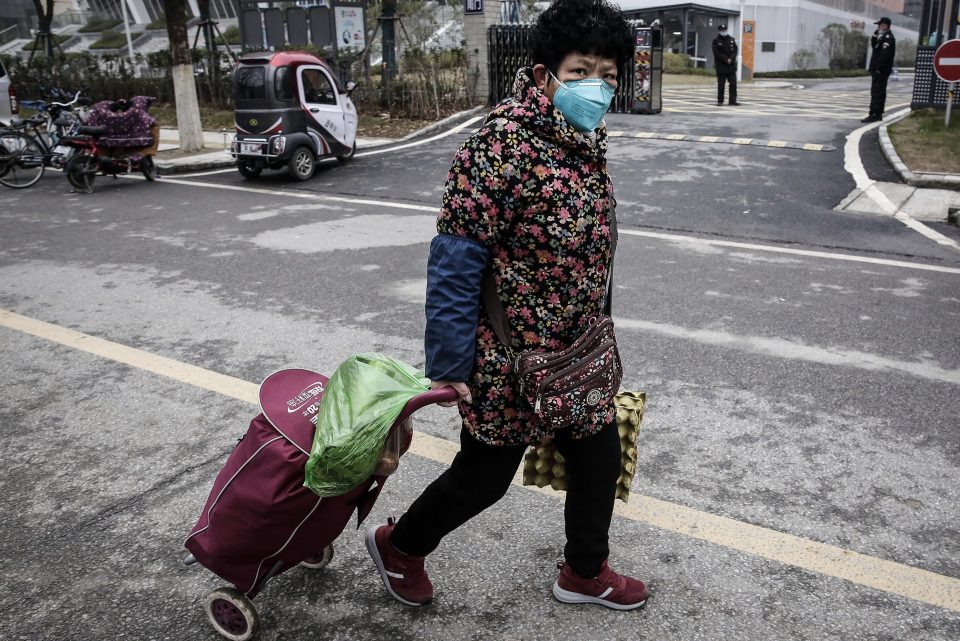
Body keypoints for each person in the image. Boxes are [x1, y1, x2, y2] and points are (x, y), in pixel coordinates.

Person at [364, 0, 649, 612]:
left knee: (598, 459)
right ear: (546, 74)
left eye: (605, 71)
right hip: (508, 356)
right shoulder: (499, 146)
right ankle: (400, 545)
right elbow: (454, 261)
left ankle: (584, 571)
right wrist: (449, 363)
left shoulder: (583, 139)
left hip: (579, 352)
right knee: (484, 477)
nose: (594, 85)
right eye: (579, 71)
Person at [862, 17, 896, 123]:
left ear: (885, 25)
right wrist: (874, 36)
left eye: (880, 25)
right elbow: (875, 48)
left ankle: (875, 113)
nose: (878, 27)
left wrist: (878, 69)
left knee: (877, 92)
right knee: (877, 91)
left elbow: (884, 55)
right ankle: (878, 113)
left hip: (881, 70)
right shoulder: (882, 37)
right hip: (878, 70)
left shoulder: (888, 38)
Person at [712, 24, 740, 106]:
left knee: (733, 84)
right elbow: (717, 53)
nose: (724, 32)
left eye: (725, 30)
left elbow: (735, 50)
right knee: (721, 85)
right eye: (722, 30)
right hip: (721, 66)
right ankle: (720, 101)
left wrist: (731, 58)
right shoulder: (716, 41)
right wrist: (726, 59)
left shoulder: (731, 40)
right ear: (719, 31)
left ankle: (732, 101)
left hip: (731, 66)